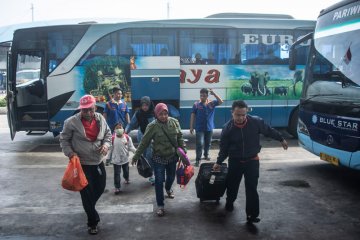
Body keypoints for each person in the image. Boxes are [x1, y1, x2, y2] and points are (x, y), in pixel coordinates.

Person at [213, 100, 288, 224]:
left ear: (246, 112)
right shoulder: (227, 128)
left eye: (243, 114)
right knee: (232, 185)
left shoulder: (256, 122)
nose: (241, 118)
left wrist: (281, 138)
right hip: (235, 161)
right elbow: (224, 149)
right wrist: (218, 162)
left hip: (252, 160)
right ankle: (230, 201)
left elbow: (268, 130)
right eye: (238, 115)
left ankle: (252, 215)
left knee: (252, 188)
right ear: (232, 113)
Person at [59, 94, 112, 235]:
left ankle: (89, 207)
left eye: (90, 109)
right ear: (80, 109)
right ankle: (92, 222)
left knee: (100, 187)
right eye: (84, 110)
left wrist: (106, 146)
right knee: (86, 192)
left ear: (95, 107)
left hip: (98, 161)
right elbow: (64, 140)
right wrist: (70, 153)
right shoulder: (71, 122)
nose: (88, 113)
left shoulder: (100, 118)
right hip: (82, 164)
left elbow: (108, 135)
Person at [132, 103, 186, 217]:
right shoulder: (152, 126)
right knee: (158, 181)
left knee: (171, 177)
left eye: (165, 113)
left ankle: (168, 188)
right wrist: (136, 156)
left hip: (172, 157)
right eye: (161, 114)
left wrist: (183, 150)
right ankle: (160, 205)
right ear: (156, 115)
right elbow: (144, 142)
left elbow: (180, 136)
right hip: (158, 158)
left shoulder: (174, 122)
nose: (164, 116)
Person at [125, 96, 156, 184]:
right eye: (143, 105)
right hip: (141, 136)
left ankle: (151, 175)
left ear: (149, 105)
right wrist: (125, 132)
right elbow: (131, 124)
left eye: (146, 105)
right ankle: (148, 172)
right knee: (145, 156)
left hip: (151, 138)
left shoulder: (154, 113)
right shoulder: (138, 113)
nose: (145, 107)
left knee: (150, 156)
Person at [190, 88, 223, 166]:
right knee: (199, 143)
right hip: (199, 128)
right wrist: (191, 126)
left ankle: (206, 155)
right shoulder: (196, 104)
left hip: (209, 127)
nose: (202, 97)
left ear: (207, 96)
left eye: (204, 96)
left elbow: (221, 101)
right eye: (201, 95)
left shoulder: (212, 103)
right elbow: (192, 115)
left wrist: (214, 93)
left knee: (208, 143)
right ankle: (198, 159)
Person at [103, 87, 130, 165]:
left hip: (121, 128)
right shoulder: (108, 104)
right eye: (118, 93)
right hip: (111, 128)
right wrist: (104, 126)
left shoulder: (124, 104)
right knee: (111, 144)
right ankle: (109, 159)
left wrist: (129, 125)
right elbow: (104, 115)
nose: (119, 95)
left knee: (121, 144)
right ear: (114, 94)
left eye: (121, 94)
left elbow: (127, 114)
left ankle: (121, 159)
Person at [112, 122, 136, 194]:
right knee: (117, 174)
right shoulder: (112, 138)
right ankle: (117, 187)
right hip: (116, 160)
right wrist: (108, 159)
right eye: (117, 128)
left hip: (125, 159)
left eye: (120, 127)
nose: (119, 129)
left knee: (126, 171)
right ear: (114, 130)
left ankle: (126, 178)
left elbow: (131, 147)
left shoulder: (127, 137)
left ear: (123, 129)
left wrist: (137, 152)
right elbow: (110, 148)